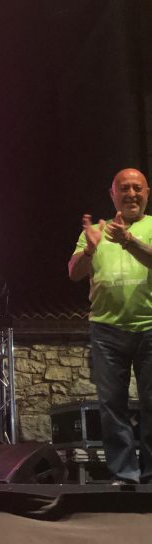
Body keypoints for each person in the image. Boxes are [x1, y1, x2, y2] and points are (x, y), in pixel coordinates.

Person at [68, 168, 152, 485]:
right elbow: (74, 273)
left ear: (147, 193)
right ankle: (125, 474)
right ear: (112, 194)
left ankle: (151, 475)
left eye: (137, 188)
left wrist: (129, 241)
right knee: (112, 405)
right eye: (124, 188)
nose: (131, 194)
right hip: (106, 330)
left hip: (149, 327)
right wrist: (90, 249)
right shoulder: (96, 231)